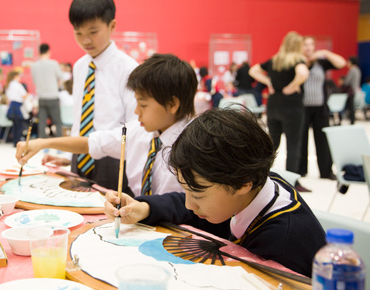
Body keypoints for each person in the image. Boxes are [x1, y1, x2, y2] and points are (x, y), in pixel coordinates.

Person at [104, 107, 326, 278]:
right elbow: (194, 210)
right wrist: (144, 207)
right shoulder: (251, 191)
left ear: (242, 183)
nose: (190, 204)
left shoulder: (283, 243)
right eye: (187, 191)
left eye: (198, 195)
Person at [16, 53, 197, 197]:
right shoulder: (140, 131)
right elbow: (93, 143)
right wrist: (43, 143)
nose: (136, 112)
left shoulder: (196, 146)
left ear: (172, 104)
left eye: (143, 105)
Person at [43, 0, 138, 191]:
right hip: (80, 157)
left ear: (112, 26)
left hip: (113, 161)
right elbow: (80, 118)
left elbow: (135, 127)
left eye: (93, 32)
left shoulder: (129, 69)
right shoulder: (80, 67)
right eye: (79, 33)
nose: (86, 40)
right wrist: (69, 156)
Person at [249, 31, 309, 173]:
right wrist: (293, 86)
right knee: (293, 143)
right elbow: (303, 73)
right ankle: (292, 180)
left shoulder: (275, 60)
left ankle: (261, 173)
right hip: (292, 107)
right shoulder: (297, 60)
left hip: (274, 105)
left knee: (272, 143)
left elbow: (253, 70)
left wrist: (268, 82)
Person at [298, 36, 345, 179]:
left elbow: (341, 63)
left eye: (311, 44)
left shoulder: (321, 63)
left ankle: (326, 171)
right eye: (305, 44)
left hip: (320, 107)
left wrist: (325, 52)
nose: (308, 47)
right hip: (302, 107)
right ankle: (300, 170)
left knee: (322, 139)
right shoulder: (297, 62)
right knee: (301, 139)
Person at [31, 43, 64, 138]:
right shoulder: (53, 63)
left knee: (42, 122)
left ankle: (43, 145)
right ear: (48, 51)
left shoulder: (34, 66)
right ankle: (59, 145)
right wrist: (55, 87)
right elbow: (60, 78)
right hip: (53, 96)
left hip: (41, 97)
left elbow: (35, 81)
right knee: (57, 122)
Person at [5, 70, 28, 146]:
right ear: (15, 76)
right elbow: (24, 95)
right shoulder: (17, 85)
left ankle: (15, 141)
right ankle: (18, 142)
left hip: (12, 105)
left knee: (15, 125)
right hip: (17, 105)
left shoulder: (9, 85)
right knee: (19, 125)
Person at [342, 55, 362, 125]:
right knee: (352, 106)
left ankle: (352, 121)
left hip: (351, 90)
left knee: (350, 107)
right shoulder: (358, 70)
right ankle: (352, 121)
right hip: (355, 89)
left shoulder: (352, 70)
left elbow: (347, 81)